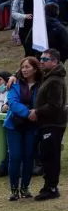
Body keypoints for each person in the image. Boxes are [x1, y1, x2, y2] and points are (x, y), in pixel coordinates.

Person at [4, 56, 42, 199]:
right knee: (15, 157)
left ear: (35, 68)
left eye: (27, 67)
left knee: (28, 157)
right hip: (15, 125)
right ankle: (14, 189)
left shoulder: (41, 84)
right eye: (22, 67)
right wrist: (29, 113)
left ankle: (25, 188)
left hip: (32, 127)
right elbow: (12, 103)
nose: (24, 70)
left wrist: (36, 112)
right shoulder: (15, 84)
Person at [33, 49, 67, 200]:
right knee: (46, 154)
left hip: (54, 123)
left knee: (51, 156)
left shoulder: (55, 80)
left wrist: (37, 112)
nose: (41, 61)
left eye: (45, 59)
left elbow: (55, 105)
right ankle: (48, 186)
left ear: (54, 61)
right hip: (47, 123)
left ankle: (51, 187)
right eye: (41, 58)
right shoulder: (48, 77)